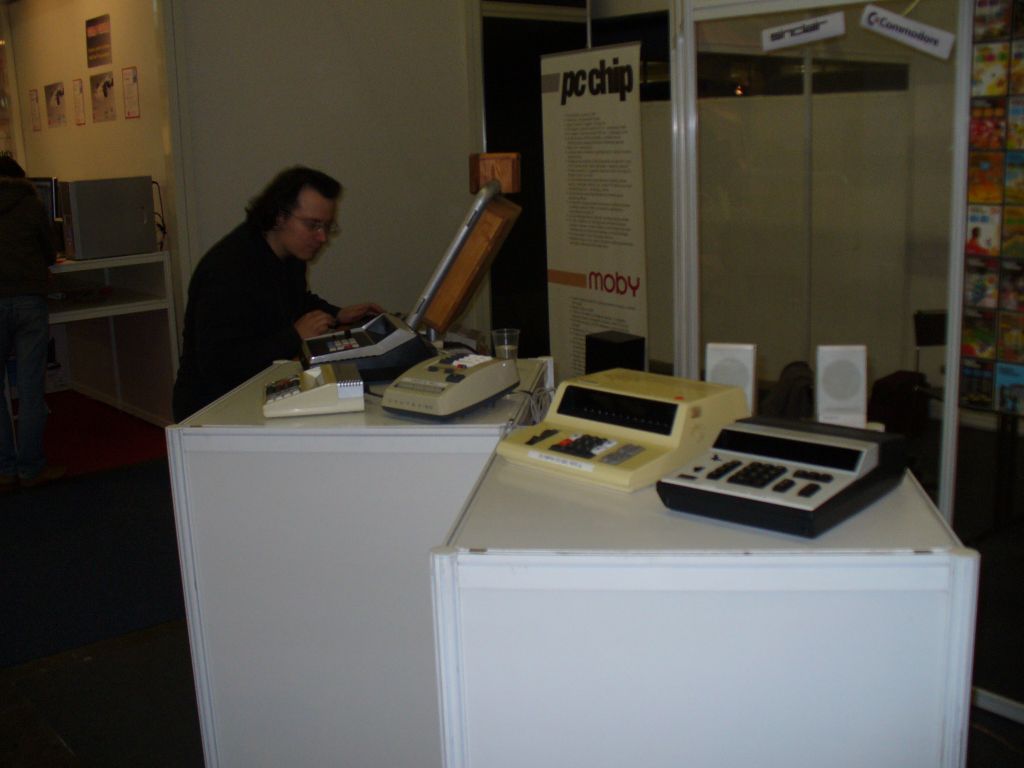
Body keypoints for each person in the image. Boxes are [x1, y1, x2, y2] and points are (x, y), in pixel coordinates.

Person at [172, 166, 382, 421]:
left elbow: (295, 300)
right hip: (211, 408)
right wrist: (294, 336)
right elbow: (220, 365)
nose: (322, 237)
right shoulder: (228, 270)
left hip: (253, 390)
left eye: (327, 226)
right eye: (313, 225)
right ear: (280, 216)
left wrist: (337, 314)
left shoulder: (289, 255)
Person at [0, 153, 64, 491]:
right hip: (29, 299)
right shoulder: (32, 204)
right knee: (29, 387)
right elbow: (50, 252)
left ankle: (4, 470)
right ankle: (31, 468)